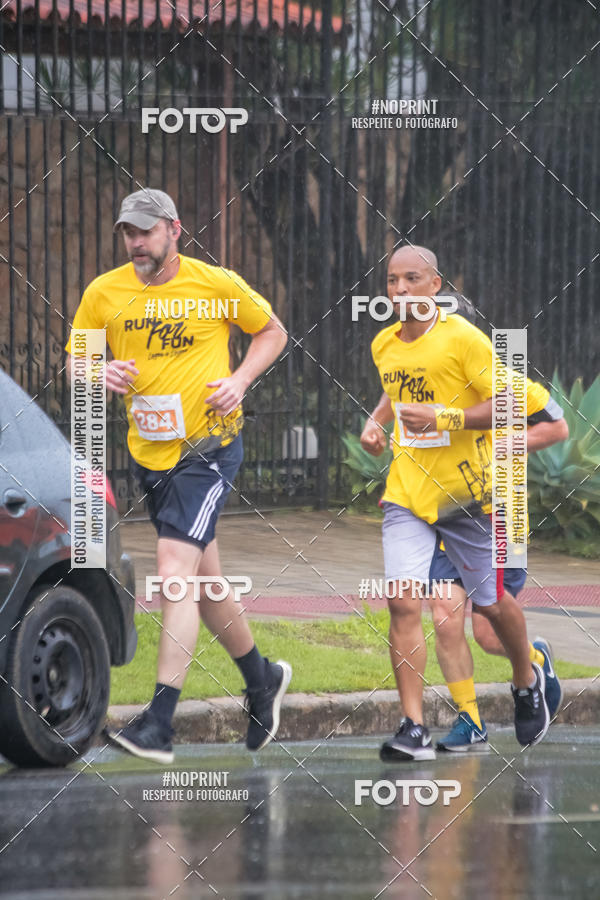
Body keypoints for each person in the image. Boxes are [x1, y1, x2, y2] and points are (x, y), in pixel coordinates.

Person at [66, 188, 291, 763]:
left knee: (172, 574)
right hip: (151, 454)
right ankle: (261, 678)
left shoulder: (215, 284)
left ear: (174, 229)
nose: (136, 242)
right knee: (207, 585)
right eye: (128, 232)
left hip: (209, 447)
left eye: (145, 231)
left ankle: (159, 724)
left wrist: (239, 381)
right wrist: (98, 369)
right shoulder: (104, 292)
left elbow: (272, 332)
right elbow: (75, 363)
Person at [360, 245, 550, 761]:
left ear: (435, 286)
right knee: (404, 601)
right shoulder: (383, 344)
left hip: (469, 498)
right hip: (407, 496)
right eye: (392, 281)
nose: (399, 290)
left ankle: (526, 677)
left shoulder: (464, 340)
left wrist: (447, 419)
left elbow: (513, 405)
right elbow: (394, 387)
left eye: (411, 279)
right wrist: (377, 422)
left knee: (488, 607)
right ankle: (413, 727)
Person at [424, 295, 568, 751]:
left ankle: (532, 667)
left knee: (487, 631)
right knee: (445, 618)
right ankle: (470, 721)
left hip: (499, 511)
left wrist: (508, 445)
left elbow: (557, 427)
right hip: (446, 511)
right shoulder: (429, 374)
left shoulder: (501, 378)